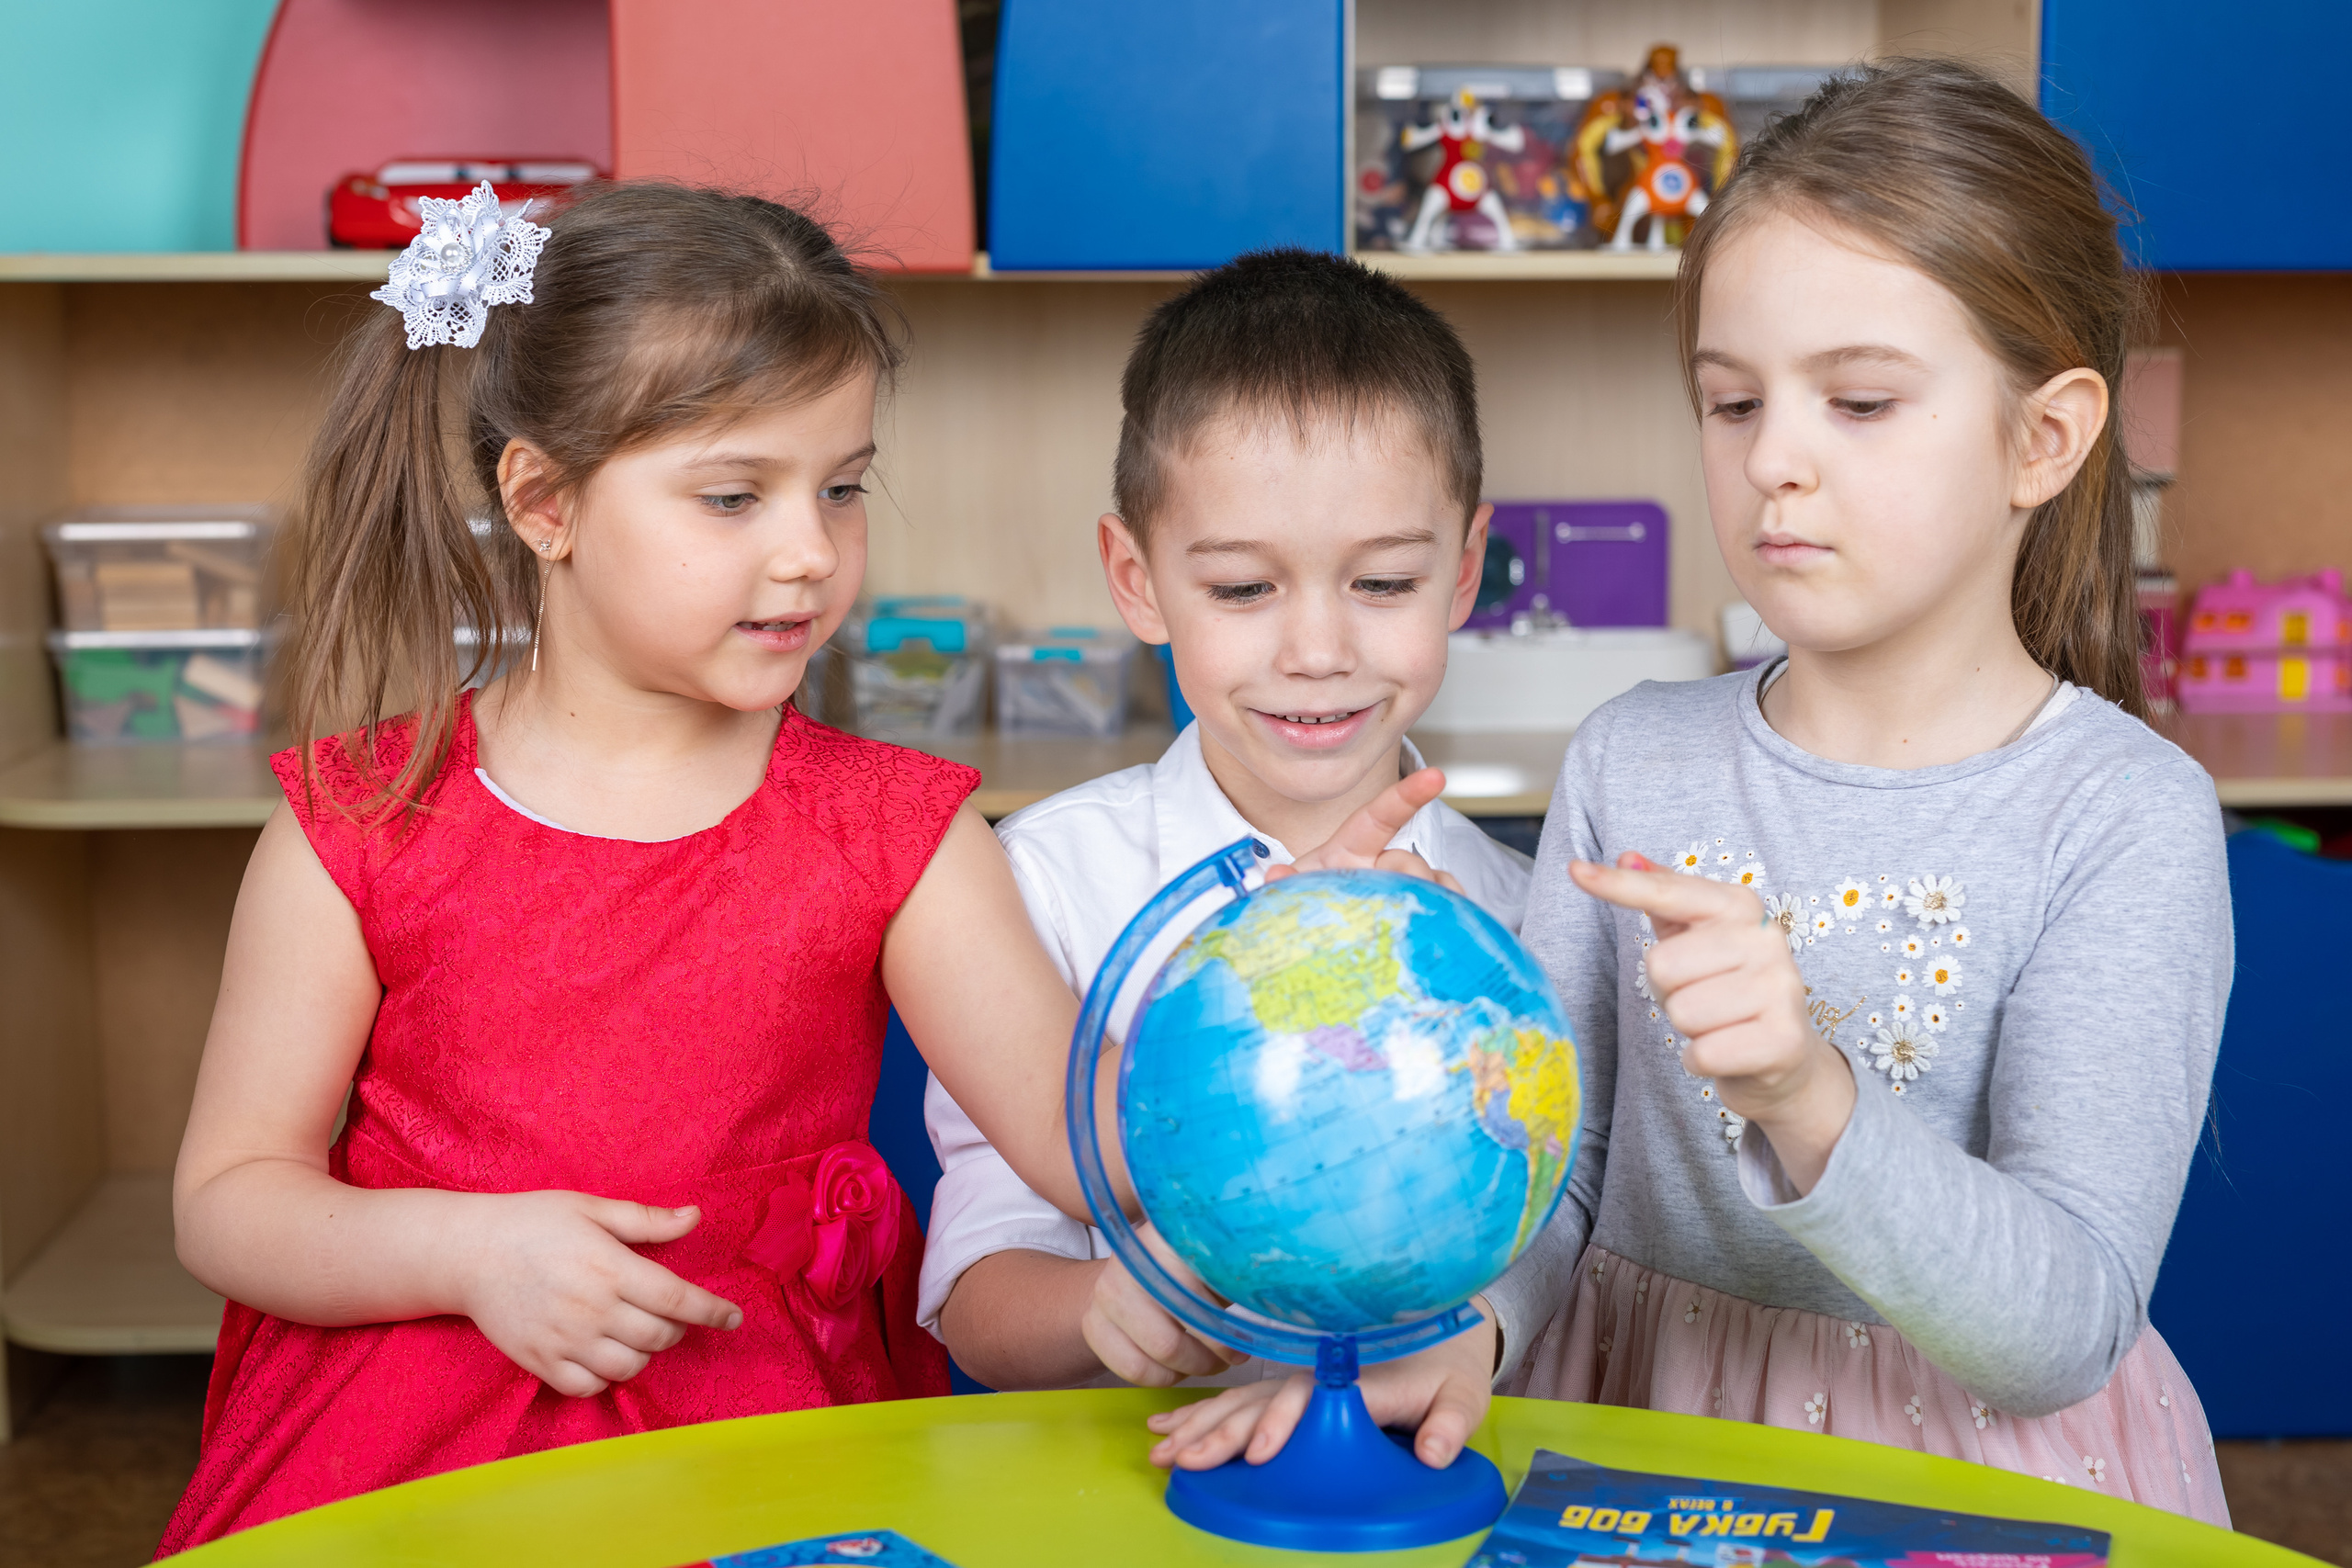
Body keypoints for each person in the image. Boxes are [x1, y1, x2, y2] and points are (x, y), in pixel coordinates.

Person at [156, 187, 1435, 1552]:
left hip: (765, 1445)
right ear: (542, 503)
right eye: (733, 495)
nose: (811, 551)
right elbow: (230, 1199)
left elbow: (1099, 1148)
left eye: (840, 487)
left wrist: (1299, 974)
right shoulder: (357, 822)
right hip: (410, 1445)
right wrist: (467, 1254)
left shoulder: (898, 833)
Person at [1160, 60, 2233, 1526]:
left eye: (1858, 402)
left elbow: (2060, 1331)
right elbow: (1562, 1174)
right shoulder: (1634, 755)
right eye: (1731, 403)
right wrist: (1472, 1326)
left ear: (2042, 439)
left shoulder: (2122, 817)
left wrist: (1809, 1098)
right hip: (1628, 1441)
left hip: (1964, 1484)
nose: (1774, 461)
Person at [922, 250, 1540, 1474]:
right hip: (1122, 1495)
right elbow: (976, 1300)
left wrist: (1487, 1336)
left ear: (1464, 570)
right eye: (1245, 586)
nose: (1317, 647)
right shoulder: (1036, 886)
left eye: (1384, 581)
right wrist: (1096, 1312)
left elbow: (1558, 1238)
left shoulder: (1514, 914)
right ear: (1138, 581)